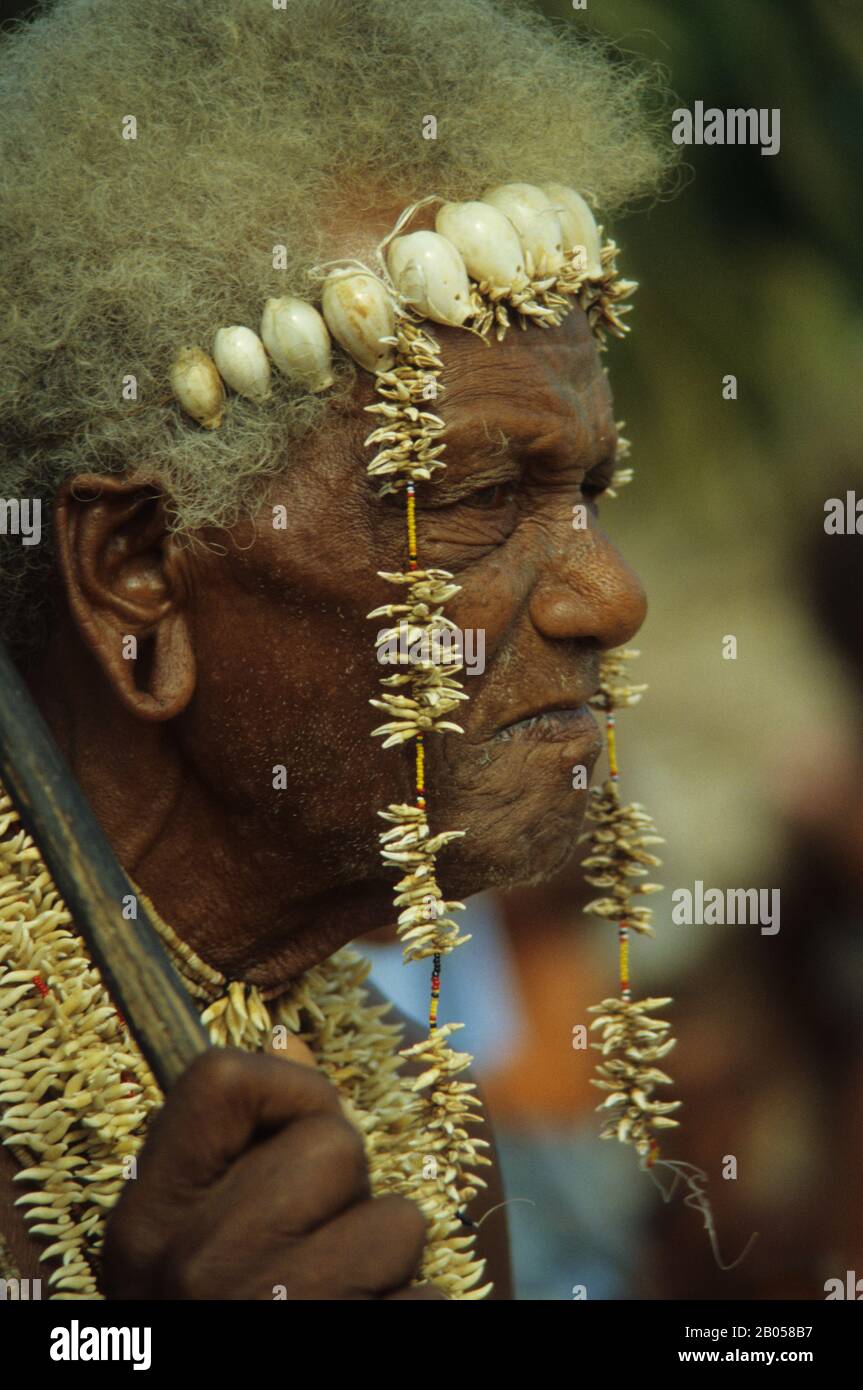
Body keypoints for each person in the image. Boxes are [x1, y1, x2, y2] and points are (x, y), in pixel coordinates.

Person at [0, 0, 669, 1299]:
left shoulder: (419, 1146)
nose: (610, 596)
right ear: (135, 573)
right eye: (474, 500)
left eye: (590, 489)